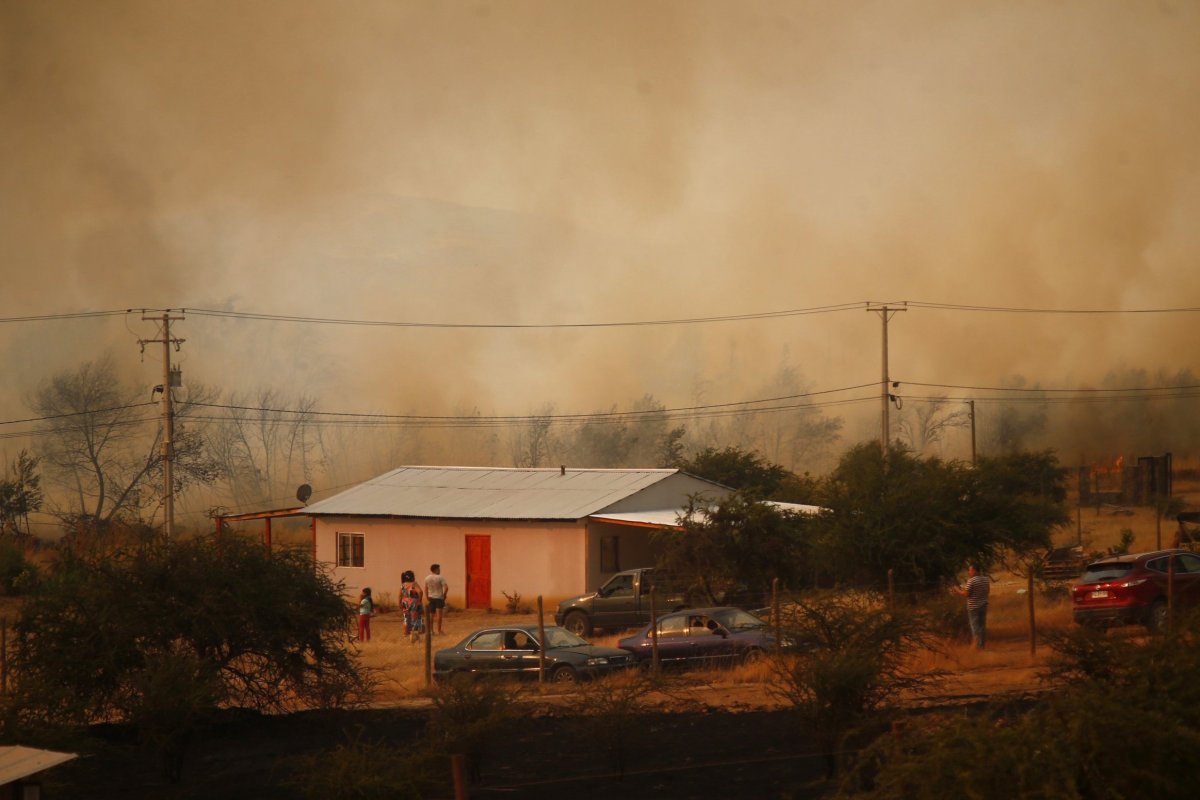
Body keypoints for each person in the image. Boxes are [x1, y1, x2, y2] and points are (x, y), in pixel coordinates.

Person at [953, 565, 991, 649]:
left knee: (975, 626)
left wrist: (957, 590)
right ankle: (982, 645)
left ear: (974, 570)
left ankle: (977, 646)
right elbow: (987, 591)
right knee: (982, 626)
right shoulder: (985, 579)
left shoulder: (971, 581)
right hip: (983, 605)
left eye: (970, 570)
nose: (969, 572)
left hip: (973, 607)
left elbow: (966, 594)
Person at [400, 570, 424, 644]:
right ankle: (413, 636)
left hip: (405, 603)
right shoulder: (414, 584)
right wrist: (419, 600)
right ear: (412, 577)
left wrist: (399, 603)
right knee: (415, 619)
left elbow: (399, 594)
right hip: (413, 603)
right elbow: (420, 591)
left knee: (406, 619)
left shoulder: (403, 585)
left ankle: (405, 635)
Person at [425, 563, 448, 635]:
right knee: (439, 615)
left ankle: (431, 631)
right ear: (436, 570)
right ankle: (439, 630)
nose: (439, 570)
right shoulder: (440, 577)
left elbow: (426, 588)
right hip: (439, 598)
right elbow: (446, 587)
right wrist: (444, 595)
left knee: (431, 615)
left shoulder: (427, 578)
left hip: (431, 598)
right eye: (438, 569)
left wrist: (427, 596)